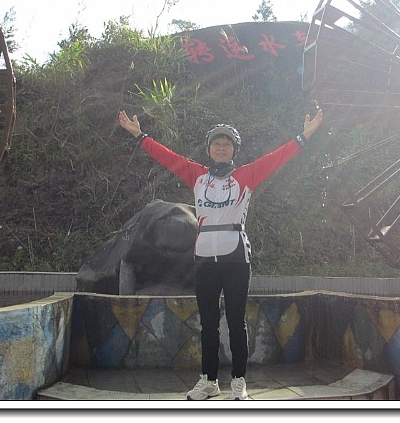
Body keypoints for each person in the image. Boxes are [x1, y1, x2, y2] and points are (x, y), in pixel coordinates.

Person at [117, 108, 323, 400]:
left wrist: (305, 135)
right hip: (204, 259)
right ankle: (209, 380)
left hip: (235, 256)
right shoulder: (197, 175)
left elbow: (276, 158)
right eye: (217, 143)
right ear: (209, 149)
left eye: (227, 144)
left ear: (234, 150)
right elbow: (168, 157)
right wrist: (140, 135)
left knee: (236, 322)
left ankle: (239, 381)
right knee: (209, 323)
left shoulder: (246, 175)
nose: (221, 147)